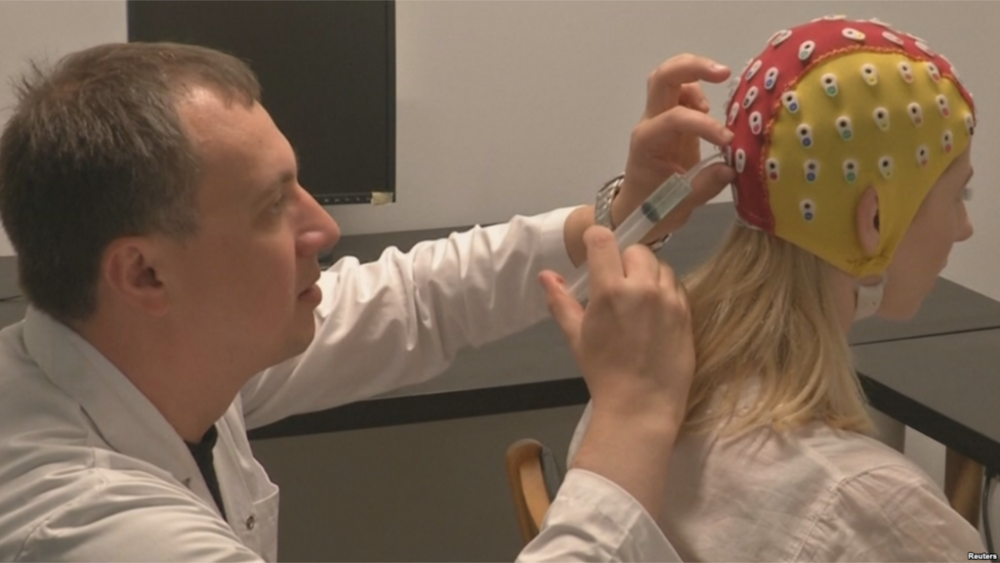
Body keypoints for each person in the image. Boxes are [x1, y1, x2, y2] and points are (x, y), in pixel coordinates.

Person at [0, 41, 735, 562]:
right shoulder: (86, 526)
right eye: (272, 206)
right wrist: (635, 415)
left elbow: (419, 297)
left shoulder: (148, 352)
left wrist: (625, 213)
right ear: (144, 274)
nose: (323, 226)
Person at [568, 15, 989, 562]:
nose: (964, 227)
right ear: (875, 220)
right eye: (959, 196)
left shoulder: (633, 386)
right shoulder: (872, 508)